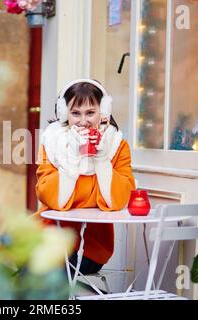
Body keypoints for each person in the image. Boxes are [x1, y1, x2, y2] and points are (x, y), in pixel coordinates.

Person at [33, 79, 135, 275]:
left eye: (90, 112)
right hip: (53, 237)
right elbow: (48, 196)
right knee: (48, 267)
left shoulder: (117, 145)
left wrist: (102, 160)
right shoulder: (52, 142)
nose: (83, 121)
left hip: (94, 250)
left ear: (103, 111)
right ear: (64, 113)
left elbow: (120, 199)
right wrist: (72, 158)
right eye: (75, 113)